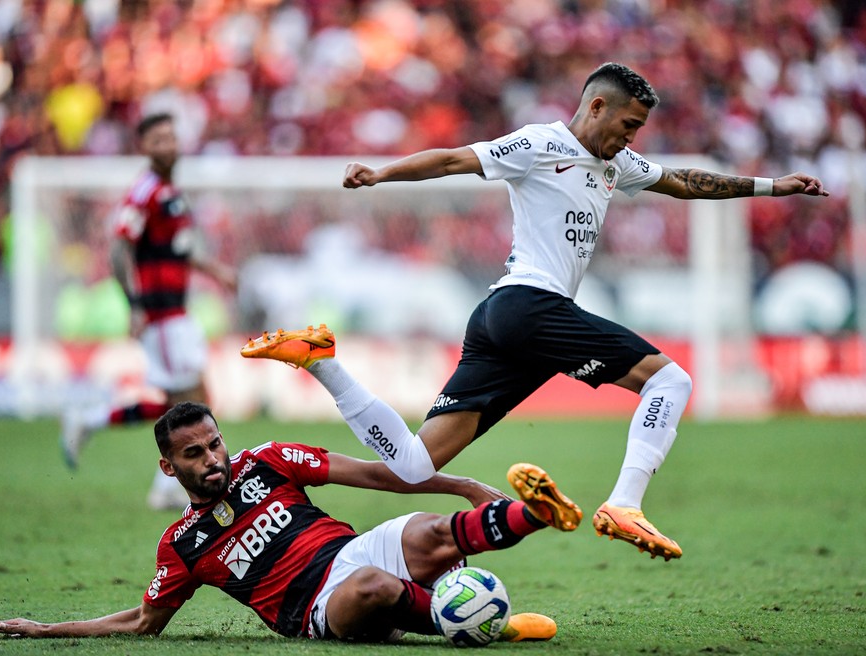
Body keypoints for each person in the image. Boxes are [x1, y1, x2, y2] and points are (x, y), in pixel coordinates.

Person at [330, 62, 829, 561]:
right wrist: (381, 174)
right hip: (527, 304)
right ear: (596, 107)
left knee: (415, 465)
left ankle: (322, 363)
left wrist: (772, 186)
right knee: (670, 381)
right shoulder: (539, 143)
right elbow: (452, 161)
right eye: (628, 125)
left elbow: (682, 182)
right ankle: (624, 505)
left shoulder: (617, 163)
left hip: (503, 320)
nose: (631, 138)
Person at [0, 400, 580, 643]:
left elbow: (376, 474)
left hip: (355, 551)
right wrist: (47, 629)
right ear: (169, 468)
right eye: (195, 454)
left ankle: (535, 514)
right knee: (373, 589)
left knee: (431, 527)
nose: (213, 459)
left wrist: (459, 485)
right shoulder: (184, 544)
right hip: (317, 611)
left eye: (215, 444)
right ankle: (487, 627)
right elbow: (144, 623)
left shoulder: (266, 462)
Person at [60, 112, 237, 510]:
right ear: (144, 147)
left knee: (189, 399)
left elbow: (178, 249)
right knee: (186, 403)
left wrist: (216, 270)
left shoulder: (169, 191)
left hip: (177, 310)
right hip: (159, 314)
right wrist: (134, 304)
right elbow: (119, 246)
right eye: (158, 140)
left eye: (171, 138)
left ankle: (96, 428)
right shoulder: (145, 191)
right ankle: (160, 483)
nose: (168, 146)